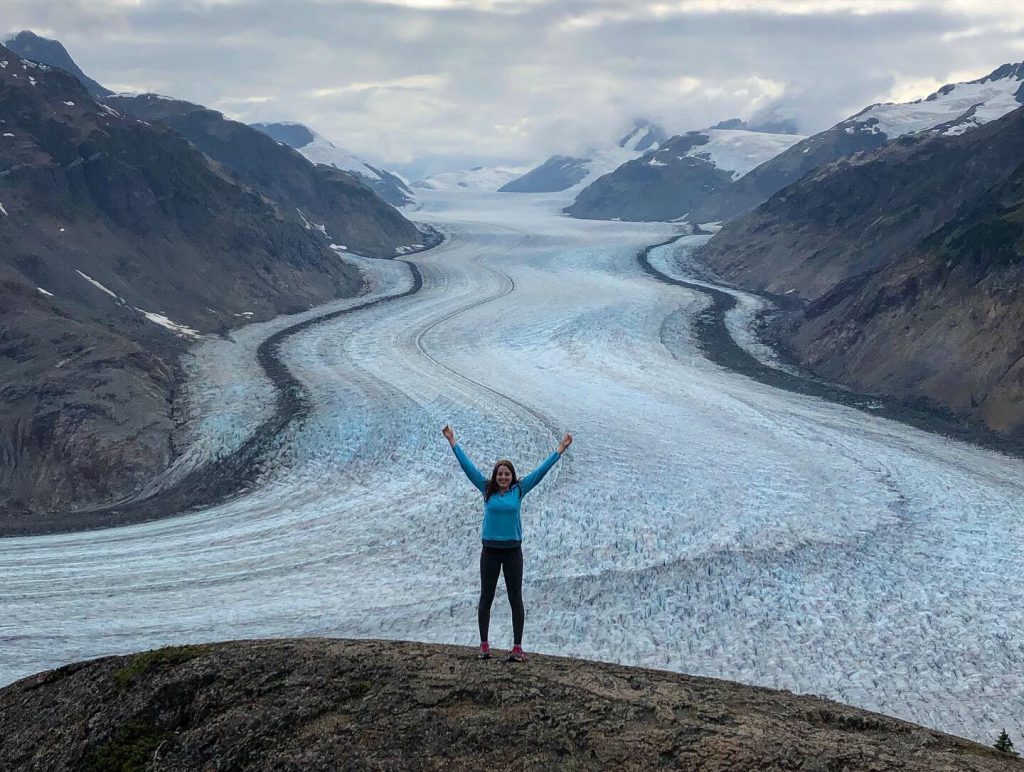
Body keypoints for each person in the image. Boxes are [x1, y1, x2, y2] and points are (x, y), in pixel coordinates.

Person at [442, 424, 572, 662]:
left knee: (515, 598)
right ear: (495, 476)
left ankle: (517, 648)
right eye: (500, 473)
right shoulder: (486, 490)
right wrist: (453, 441)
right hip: (490, 551)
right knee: (486, 597)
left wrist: (560, 449)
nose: (503, 477)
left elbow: (541, 472)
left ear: (512, 476)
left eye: (507, 474)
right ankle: (483, 645)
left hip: (512, 551)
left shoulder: (519, 490)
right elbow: (467, 467)